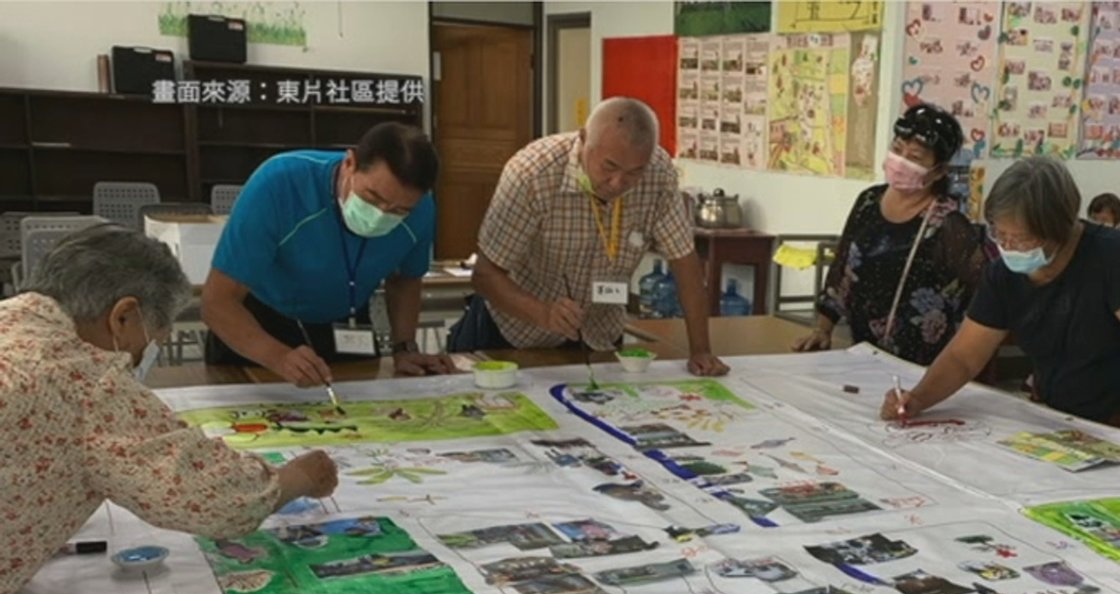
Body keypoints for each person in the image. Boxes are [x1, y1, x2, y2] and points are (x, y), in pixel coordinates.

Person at [0, 226, 339, 594]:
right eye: (154, 341)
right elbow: (214, 499)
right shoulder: (85, 379)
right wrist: (297, 478)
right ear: (123, 317)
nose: (143, 358)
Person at [879, 156, 1120, 449]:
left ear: (1060, 229)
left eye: (1023, 239)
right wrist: (919, 398)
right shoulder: (1003, 274)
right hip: (1060, 416)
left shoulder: (1117, 259)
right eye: (999, 235)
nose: (1009, 246)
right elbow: (965, 356)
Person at [459, 97, 727, 376]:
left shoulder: (658, 174)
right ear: (584, 139)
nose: (618, 184)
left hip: (599, 336)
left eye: (634, 173)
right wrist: (543, 313)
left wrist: (701, 350)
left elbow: (685, 262)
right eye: (609, 167)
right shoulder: (533, 173)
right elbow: (485, 274)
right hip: (517, 335)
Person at [202, 122, 456, 386]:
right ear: (350, 164)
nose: (381, 214)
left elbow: (405, 280)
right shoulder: (280, 184)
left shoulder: (421, 210)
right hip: (260, 327)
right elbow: (217, 302)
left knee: (358, 418)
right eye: (372, 197)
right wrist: (279, 357)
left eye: (398, 211)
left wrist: (404, 348)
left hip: (348, 323)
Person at [792, 104, 987, 365]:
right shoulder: (869, 201)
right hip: (862, 353)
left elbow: (979, 300)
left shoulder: (948, 224)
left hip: (920, 365)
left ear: (939, 171)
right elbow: (841, 269)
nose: (901, 161)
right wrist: (823, 329)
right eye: (897, 150)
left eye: (915, 157)